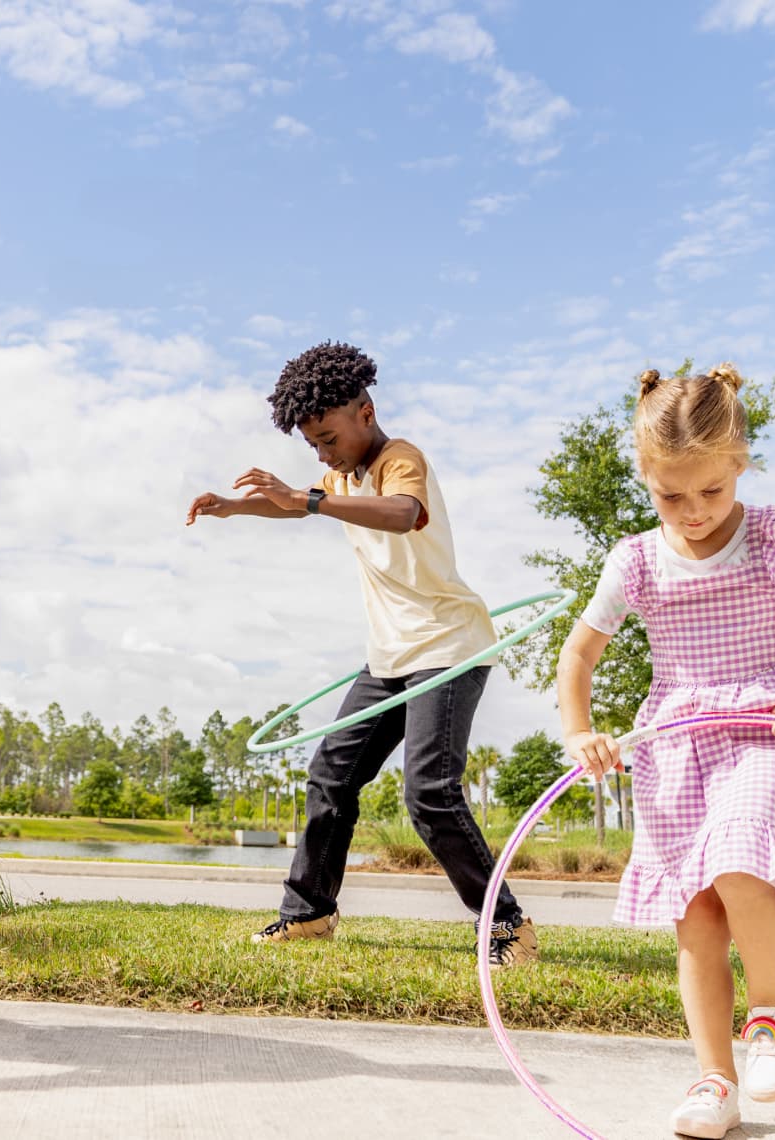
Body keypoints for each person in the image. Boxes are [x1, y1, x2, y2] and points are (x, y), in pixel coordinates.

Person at [556, 364, 775, 1139]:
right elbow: (578, 656)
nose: (693, 512)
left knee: (738, 851)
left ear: (740, 466)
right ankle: (712, 1081)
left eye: (711, 492)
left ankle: (769, 1017)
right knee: (695, 916)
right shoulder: (633, 560)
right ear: (644, 476)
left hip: (771, 728)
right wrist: (577, 730)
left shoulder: (773, 538)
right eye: (671, 496)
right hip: (676, 744)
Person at [186, 341, 537, 967]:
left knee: (430, 792)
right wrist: (235, 506)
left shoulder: (401, 460)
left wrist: (309, 498)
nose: (323, 455)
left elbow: (403, 515)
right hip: (389, 657)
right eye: (313, 447)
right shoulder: (340, 476)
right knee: (331, 776)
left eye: (328, 438)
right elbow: (292, 505)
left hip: (448, 645)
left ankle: (507, 924)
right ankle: (310, 915)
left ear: (365, 412)